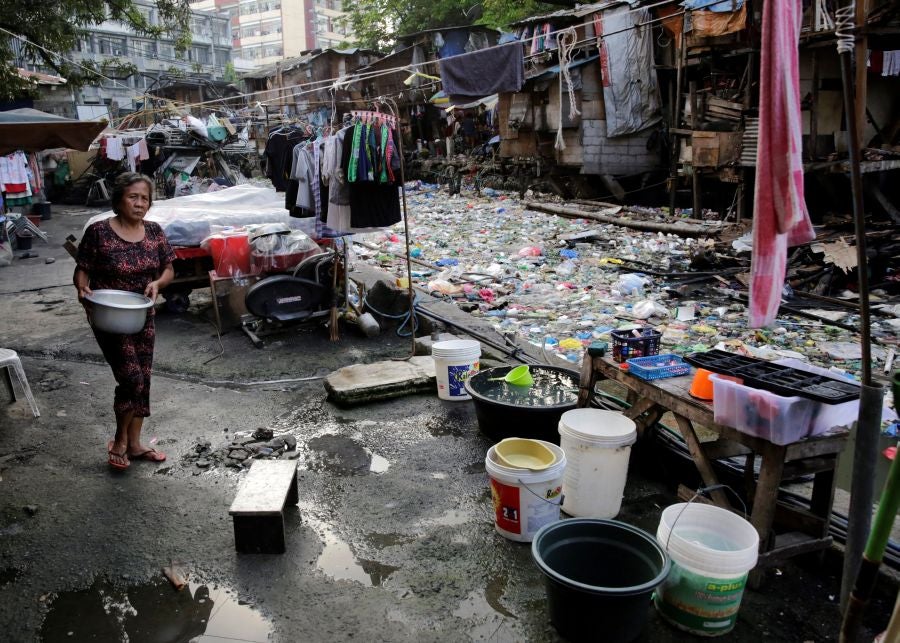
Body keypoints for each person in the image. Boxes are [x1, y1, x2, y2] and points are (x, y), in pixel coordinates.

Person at [74, 172, 175, 471]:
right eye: (133, 197)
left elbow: (169, 269)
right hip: (109, 316)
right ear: (119, 199)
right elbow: (83, 269)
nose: (140, 203)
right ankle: (119, 440)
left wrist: (158, 284)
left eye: (145, 198)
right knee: (131, 378)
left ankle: (135, 443)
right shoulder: (99, 232)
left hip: (142, 314)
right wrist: (82, 288)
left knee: (143, 377)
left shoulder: (155, 232)